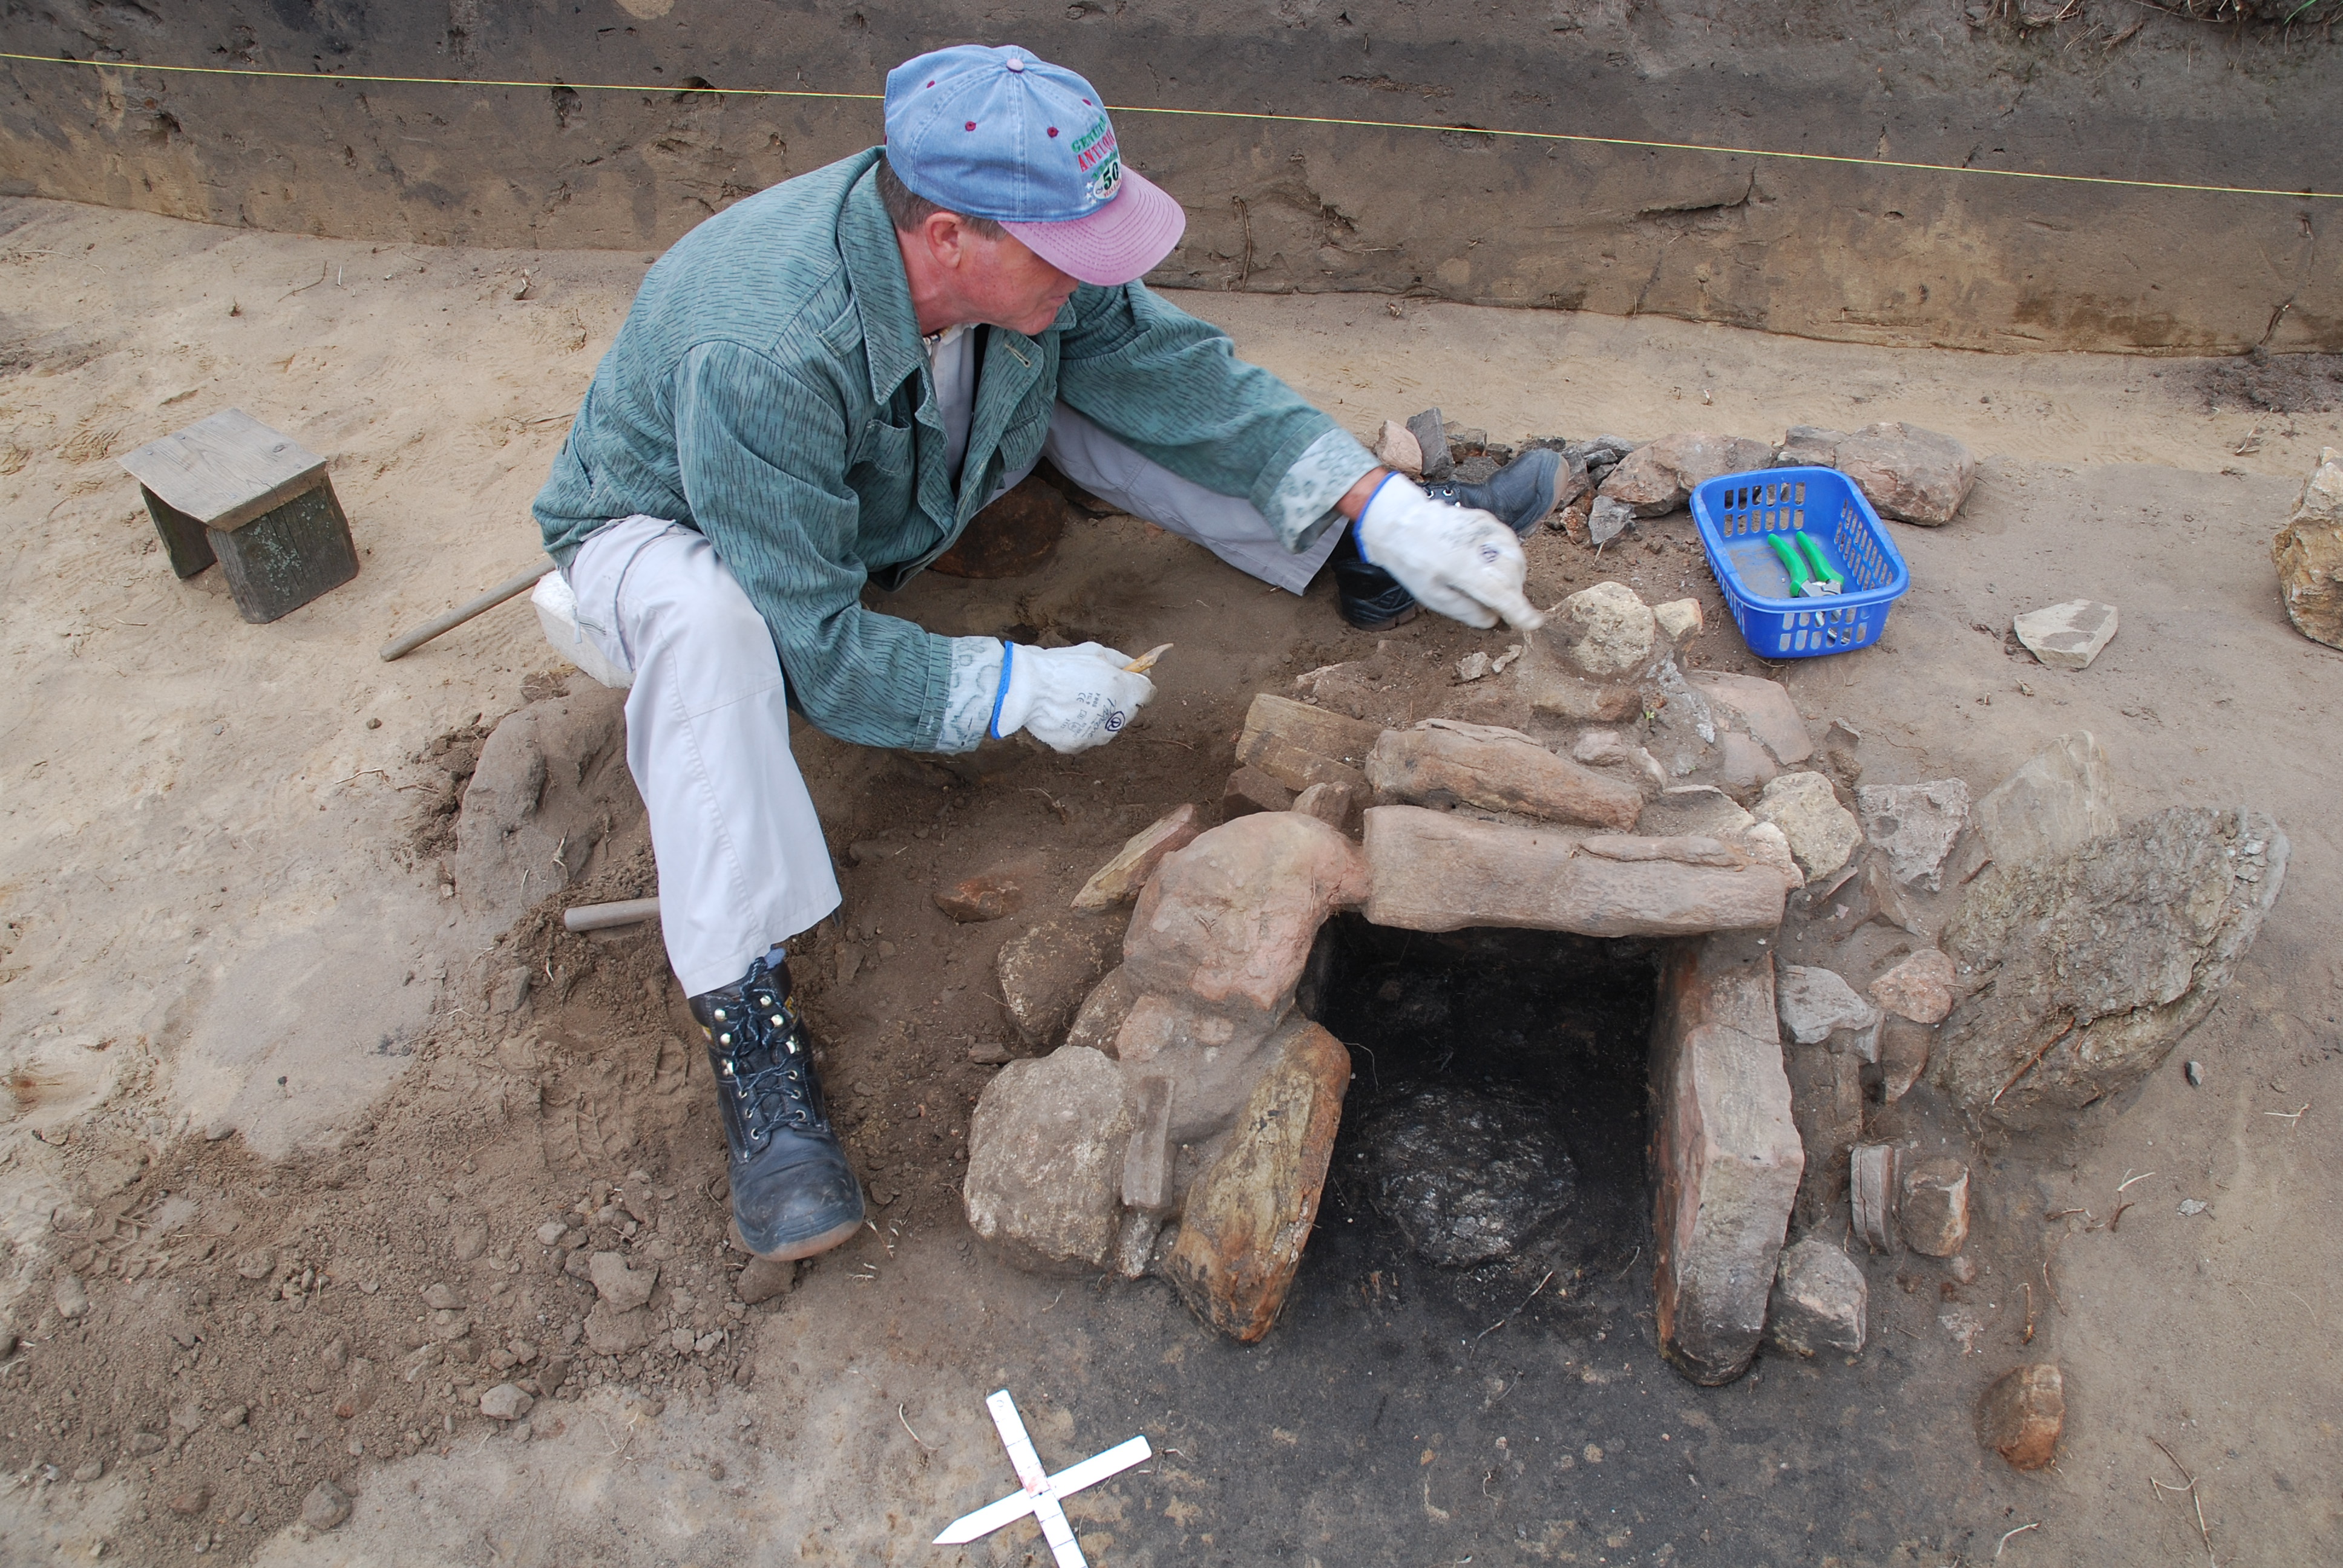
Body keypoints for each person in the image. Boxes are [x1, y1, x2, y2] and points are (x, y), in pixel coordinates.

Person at [531, 43, 1559, 1263]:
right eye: (1070, 250)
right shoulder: (761, 347)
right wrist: (1006, 684)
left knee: (1108, 368)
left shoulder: (1013, 280)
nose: (1096, 273)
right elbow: (819, 655)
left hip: (871, 487)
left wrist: (1375, 501)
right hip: (682, 533)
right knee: (712, 629)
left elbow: (1178, 370)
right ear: (951, 235)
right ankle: (748, 1023)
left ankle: (1359, 557)